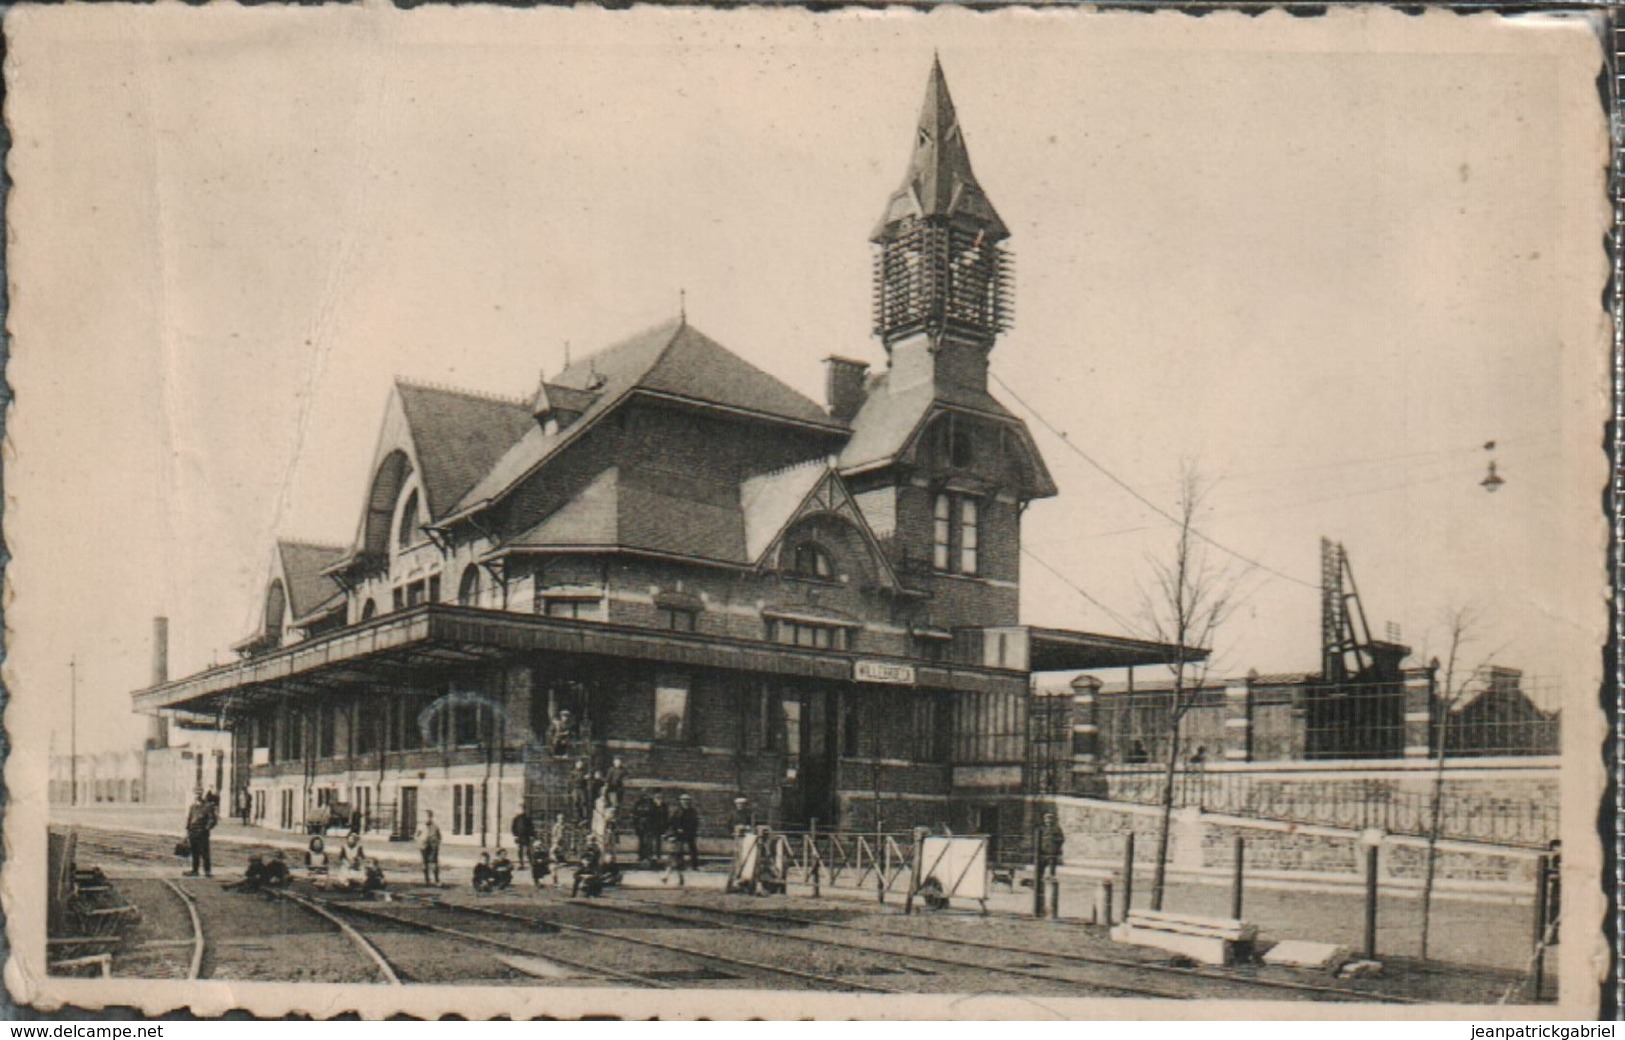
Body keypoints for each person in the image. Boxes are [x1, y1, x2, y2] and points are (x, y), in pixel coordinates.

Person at [183, 789, 218, 878]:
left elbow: (212, 820)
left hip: (202, 833)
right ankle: (195, 870)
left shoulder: (208, 806)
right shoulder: (192, 807)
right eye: (196, 794)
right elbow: (189, 820)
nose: (197, 795)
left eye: (199, 793)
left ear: (202, 794)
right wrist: (187, 833)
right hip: (193, 832)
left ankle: (207, 871)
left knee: (205, 852)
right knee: (195, 852)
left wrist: (206, 828)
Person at [671, 793, 700, 871]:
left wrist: (693, 830)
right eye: (683, 800)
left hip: (690, 833)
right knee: (679, 850)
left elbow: (695, 821)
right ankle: (680, 865)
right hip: (680, 834)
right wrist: (677, 829)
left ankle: (694, 866)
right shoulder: (677, 811)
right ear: (680, 801)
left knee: (693, 850)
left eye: (687, 800)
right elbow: (673, 821)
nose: (685, 802)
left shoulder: (692, 811)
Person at [415, 810, 442, 886]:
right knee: (424, 863)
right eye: (425, 817)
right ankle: (426, 880)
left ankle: (437, 880)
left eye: (428, 817)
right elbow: (416, 835)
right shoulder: (421, 826)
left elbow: (439, 837)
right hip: (424, 845)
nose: (426, 819)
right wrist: (419, 842)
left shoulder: (435, 826)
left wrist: (436, 843)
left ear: (431, 817)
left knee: (434, 863)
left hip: (433, 846)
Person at [1037, 812, 1065, 883]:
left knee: (1052, 866)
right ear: (1044, 819)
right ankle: (1040, 879)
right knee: (1041, 866)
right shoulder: (1041, 828)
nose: (1048, 820)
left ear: (1052, 820)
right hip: (1042, 851)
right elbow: (1037, 839)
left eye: (1050, 819)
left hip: (1052, 851)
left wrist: (1055, 844)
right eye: (1046, 819)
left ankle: (1051, 879)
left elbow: (1061, 839)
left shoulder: (1056, 829)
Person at [631, 791, 655, 864]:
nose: (645, 797)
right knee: (641, 841)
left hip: (649, 825)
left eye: (646, 796)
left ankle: (649, 856)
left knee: (649, 842)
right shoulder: (638, 804)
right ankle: (641, 856)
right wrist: (636, 823)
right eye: (644, 796)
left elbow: (654, 814)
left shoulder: (651, 804)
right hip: (640, 825)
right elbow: (633, 814)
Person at [647, 790, 670, 865]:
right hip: (651, 826)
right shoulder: (651, 805)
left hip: (660, 826)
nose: (658, 798)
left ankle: (658, 855)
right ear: (654, 798)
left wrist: (665, 826)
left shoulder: (664, 806)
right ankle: (650, 855)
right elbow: (649, 815)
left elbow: (666, 816)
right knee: (650, 841)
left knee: (658, 841)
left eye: (660, 797)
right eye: (657, 797)